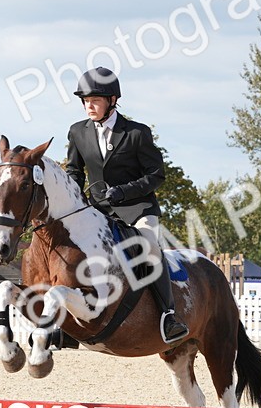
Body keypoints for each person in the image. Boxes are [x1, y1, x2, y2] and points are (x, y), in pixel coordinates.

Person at [64, 67, 189, 344]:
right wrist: (75, 200)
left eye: (95, 100)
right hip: (98, 211)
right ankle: (71, 323)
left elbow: (156, 175)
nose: (89, 106)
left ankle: (169, 316)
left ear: (112, 100)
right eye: (85, 100)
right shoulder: (77, 132)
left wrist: (123, 192)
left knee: (150, 248)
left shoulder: (136, 133)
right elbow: (74, 171)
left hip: (137, 210)